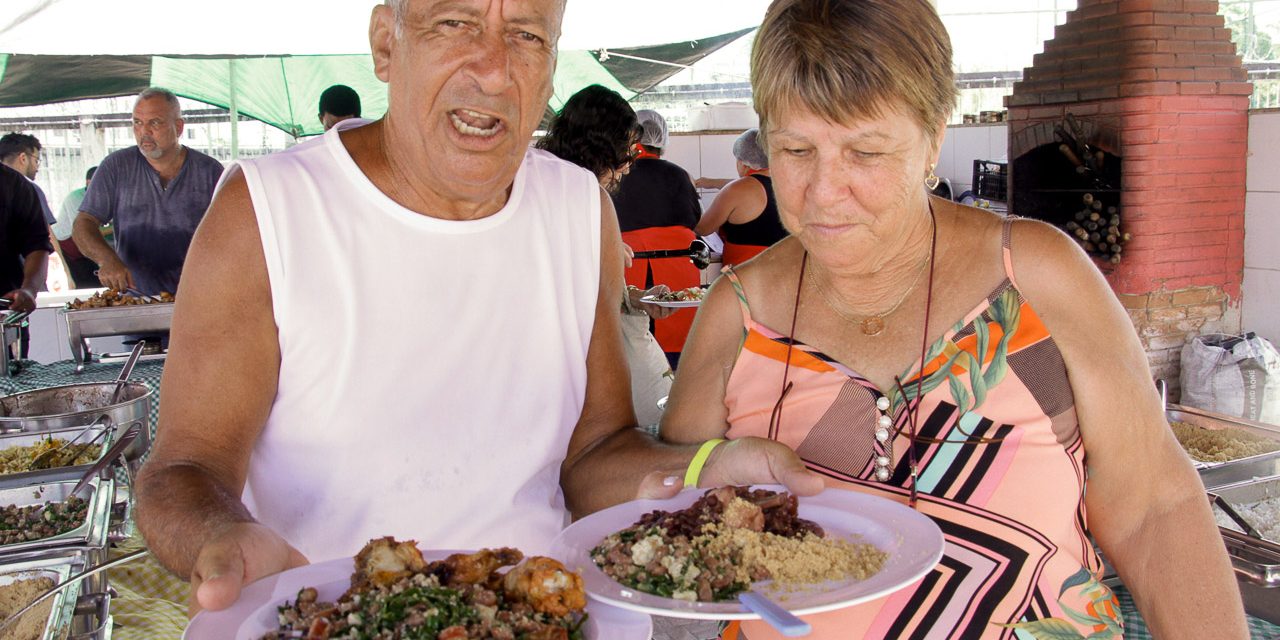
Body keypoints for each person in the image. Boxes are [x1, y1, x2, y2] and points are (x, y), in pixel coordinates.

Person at [562, 1, 1248, 638]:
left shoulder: (1036, 276)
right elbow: (662, 511)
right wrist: (706, 469)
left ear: (932, 139)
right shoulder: (738, 313)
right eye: (796, 152)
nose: (826, 193)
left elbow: (1156, 509)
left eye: (865, 152)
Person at [135, 0, 637, 615]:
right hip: (330, 619)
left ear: (553, 64)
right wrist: (219, 534)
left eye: (527, 35)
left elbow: (598, 452)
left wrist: (708, 476)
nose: (496, 70)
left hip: (535, 619)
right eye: (454, 24)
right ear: (385, 44)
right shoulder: (266, 212)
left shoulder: (579, 210)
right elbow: (184, 468)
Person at [536, 84, 675, 427]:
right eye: (628, 152)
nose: (629, 166)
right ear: (603, 146)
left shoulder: (541, 179)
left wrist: (636, 298)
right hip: (588, 361)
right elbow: (602, 306)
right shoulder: (589, 195)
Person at [73, 87, 223, 295]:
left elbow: (232, 232)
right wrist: (107, 259)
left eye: (155, 122)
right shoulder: (116, 166)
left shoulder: (209, 171)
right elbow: (84, 223)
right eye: (137, 123)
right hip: (135, 298)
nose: (144, 132)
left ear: (178, 127)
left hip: (198, 299)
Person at [611, 109, 702, 367]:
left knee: (633, 349)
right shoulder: (681, 175)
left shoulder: (618, 173)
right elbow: (696, 221)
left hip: (632, 268)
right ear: (663, 142)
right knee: (677, 355)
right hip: (679, 271)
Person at [694, 128, 787, 267]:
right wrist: (711, 182)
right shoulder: (786, 185)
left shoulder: (737, 189)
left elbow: (702, 228)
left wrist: (691, 201)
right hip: (783, 271)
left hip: (746, 275)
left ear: (742, 162)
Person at [0, 133, 69, 288]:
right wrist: (64, 271)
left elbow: (39, 240)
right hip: (20, 284)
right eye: (36, 160)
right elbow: (46, 235)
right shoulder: (24, 187)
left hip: (19, 286)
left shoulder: (17, 185)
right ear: (23, 158)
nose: (37, 166)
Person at [0, 164, 51, 359]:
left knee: (10, 385)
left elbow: (37, 245)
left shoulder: (12, 184)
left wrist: (29, 289)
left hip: (5, 315)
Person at [55, 166, 102, 289]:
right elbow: (82, 230)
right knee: (84, 285)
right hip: (68, 247)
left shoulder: (102, 197)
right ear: (89, 182)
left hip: (86, 248)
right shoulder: (75, 197)